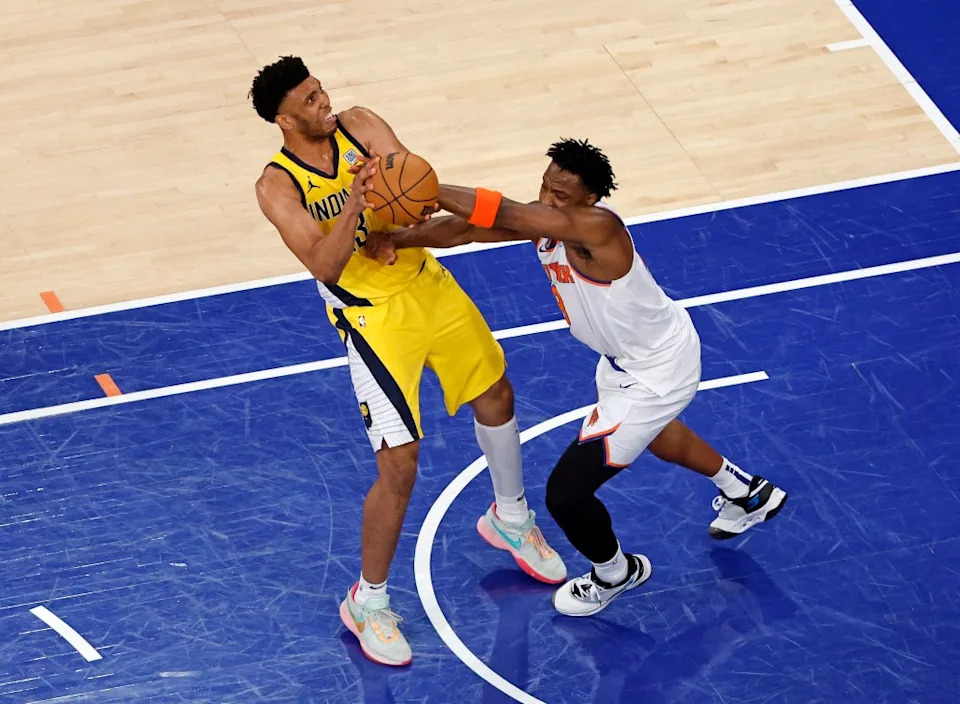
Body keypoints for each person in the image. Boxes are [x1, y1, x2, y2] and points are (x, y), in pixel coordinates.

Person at [367, 138, 788, 617]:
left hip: (657, 371)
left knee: (566, 494)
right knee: (658, 433)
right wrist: (400, 239)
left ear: (588, 201)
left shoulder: (599, 227)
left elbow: (504, 209)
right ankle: (745, 491)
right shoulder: (547, 223)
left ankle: (615, 571)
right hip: (624, 362)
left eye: (561, 196)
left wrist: (425, 186)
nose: (547, 199)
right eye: (545, 186)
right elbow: (467, 231)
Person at [249, 56, 566, 665]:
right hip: (372, 317)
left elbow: (414, 198)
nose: (325, 103)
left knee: (496, 393)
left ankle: (510, 517)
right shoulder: (277, 186)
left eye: (321, 92)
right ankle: (366, 601)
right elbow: (324, 265)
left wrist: (393, 216)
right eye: (310, 102)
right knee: (400, 464)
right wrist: (357, 206)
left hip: (426, 284)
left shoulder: (360, 124)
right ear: (283, 119)